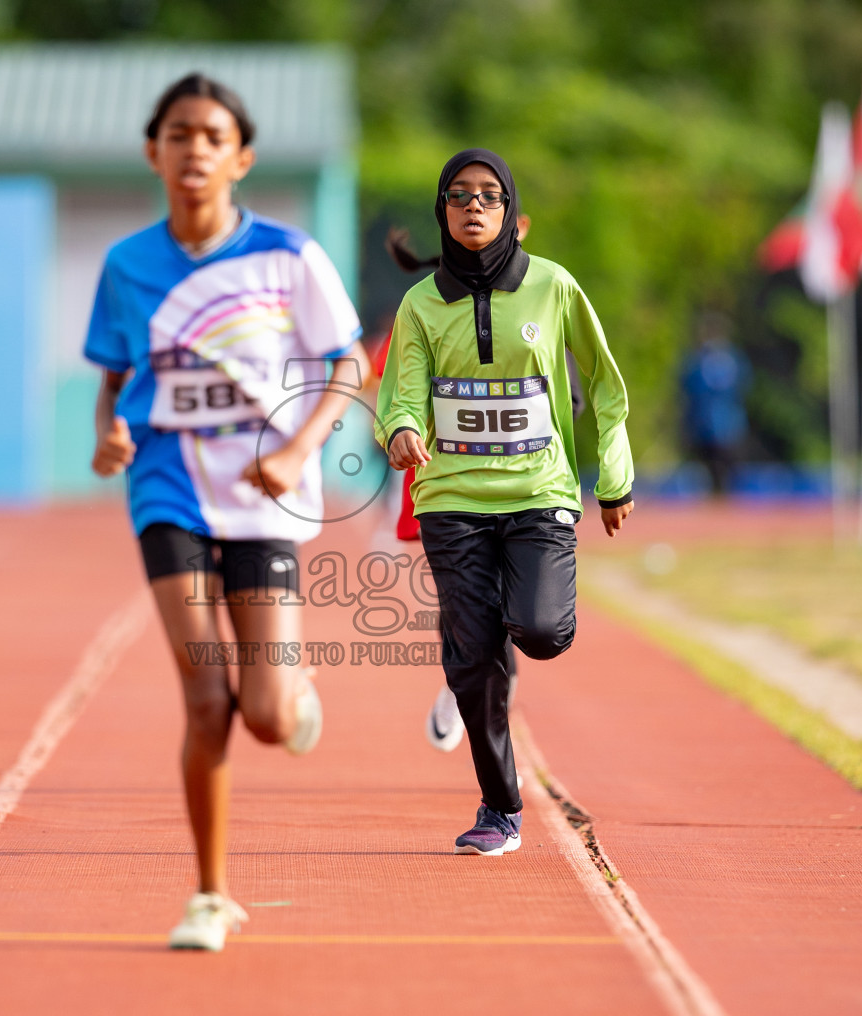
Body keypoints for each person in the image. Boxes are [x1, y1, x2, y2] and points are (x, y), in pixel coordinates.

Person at [87, 73, 366, 949]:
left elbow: (348, 363)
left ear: (240, 158)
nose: (194, 150)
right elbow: (114, 379)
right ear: (153, 152)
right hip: (167, 489)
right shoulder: (127, 265)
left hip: (264, 499)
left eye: (212, 136)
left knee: (267, 717)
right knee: (205, 699)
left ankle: (291, 696)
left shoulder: (288, 255)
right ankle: (209, 896)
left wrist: (295, 449)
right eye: (179, 134)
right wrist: (108, 437)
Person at [373, 149, 634, 855]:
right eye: (459, 195)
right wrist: (400, 429)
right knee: (473, 655)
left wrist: (614, 477)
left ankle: (499, 633)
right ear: (444, 212)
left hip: (539, 492)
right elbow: (401, 394)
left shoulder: (553, 288)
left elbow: (604, 386)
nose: (473, 205)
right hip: (450, 498)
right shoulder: (420, 303)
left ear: (512, 212)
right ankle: (500, 808)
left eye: (489, 195)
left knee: (543, 632)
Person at [680, 314, 750, 495]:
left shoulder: (711, 360)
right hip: (710, 425)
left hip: (723, 425)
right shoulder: (702, 359)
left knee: (725, 472)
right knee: (712, 472)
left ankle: (722, 506)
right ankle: (717, 506)